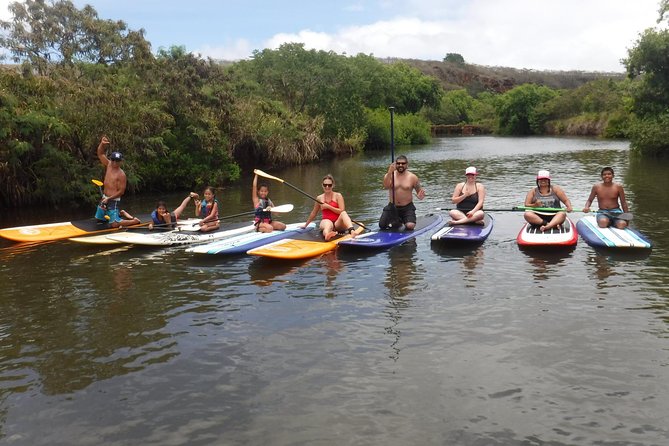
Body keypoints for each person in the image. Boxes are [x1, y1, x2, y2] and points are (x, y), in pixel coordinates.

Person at [95, 135, 139, 228]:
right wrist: (102, 144)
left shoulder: (121, 174)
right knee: (99, 219)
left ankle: (134, 221)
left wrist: (109, 198)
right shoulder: (108, 165)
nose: (115, 162)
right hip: (104, 198)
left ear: (121, 161)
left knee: (114, 224)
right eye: (113, 160)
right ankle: (120, 214)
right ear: (111, 159)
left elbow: (121, 192)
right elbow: (100, 154)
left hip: (113, 201)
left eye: (117, 161)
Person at [302, 174, 355, 241]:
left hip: (338, 223)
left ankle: (352, 231)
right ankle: (327, 235)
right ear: (322, 185)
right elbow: (314, 213)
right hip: (326, 221)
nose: (327, 187)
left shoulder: (338, 196)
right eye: (325, 185)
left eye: (329, 185)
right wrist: (305, 225)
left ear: (333, 185)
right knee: (327, 224)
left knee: (344, 213)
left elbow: (341, 211)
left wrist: (328, 206)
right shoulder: (319, 198)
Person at [381, 155, 426, 230]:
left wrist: (420, 196)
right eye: (398, 163)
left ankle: (402, 220)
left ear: (407, 165)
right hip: (392, 206)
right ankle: (398, 221)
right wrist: (389, 172)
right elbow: (386, 186)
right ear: (395, 164)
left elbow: (419, 192)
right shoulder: (390, 175)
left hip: (407, 207)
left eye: (403, 163)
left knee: (410, 226)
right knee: (382, 226)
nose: (400, 165)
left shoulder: (413, 177)